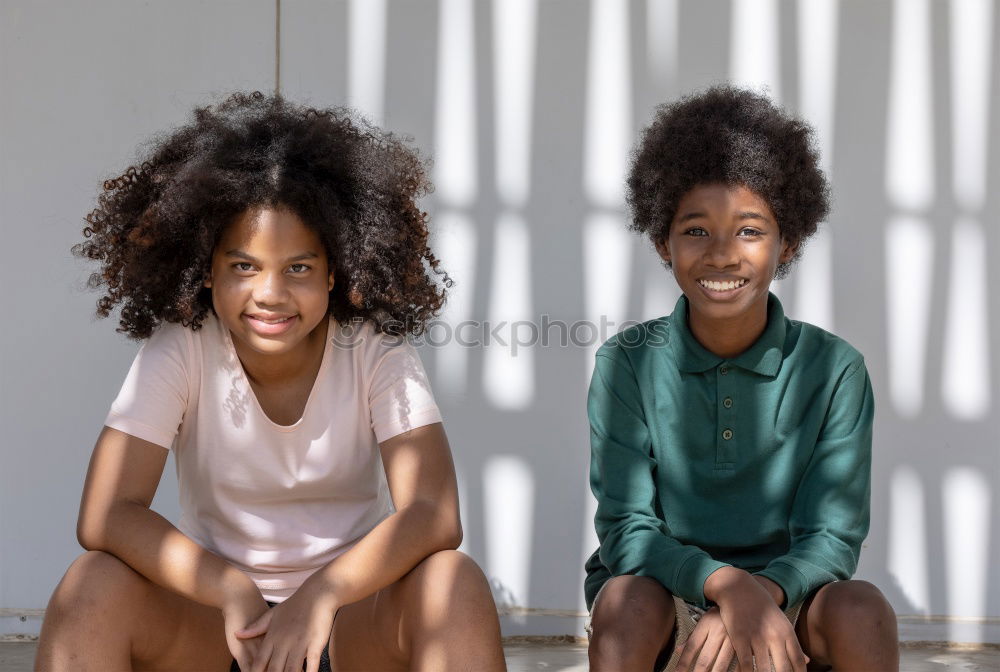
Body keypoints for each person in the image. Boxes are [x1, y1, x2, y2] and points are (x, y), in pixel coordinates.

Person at [36, 92, 506, 672]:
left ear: (335, 270)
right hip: (215, 624)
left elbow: (434, 511)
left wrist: (323, 593)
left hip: (351, 619)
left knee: (452, 582)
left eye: (299, 269)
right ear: (207, 271)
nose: (271, 293)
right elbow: (106, 514)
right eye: (244, 266)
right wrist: (232, 589)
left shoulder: (373, 348)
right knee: (92, 584)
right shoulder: (182, 345)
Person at [584, 86, 898, 672]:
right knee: (623, 603)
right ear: (662, 243)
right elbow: (626, 528)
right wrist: (726, 586)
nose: (723, 254)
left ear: (789, 244)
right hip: (666, 591)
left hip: (789, 597)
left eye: (750, 231)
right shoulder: (625, 362)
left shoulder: (836, 370)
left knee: (864, 610)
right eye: (697, 231)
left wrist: (764, 594)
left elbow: (833, 536)